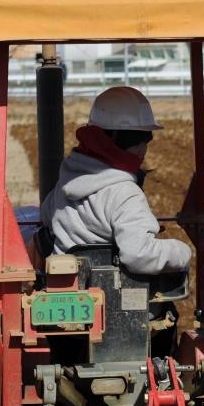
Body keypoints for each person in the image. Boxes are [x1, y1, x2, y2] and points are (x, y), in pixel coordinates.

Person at [40, 86, 191, 275]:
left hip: (62, 284)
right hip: (109, 293)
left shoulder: (67, 179)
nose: (143, 149)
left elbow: (46, 215)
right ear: (118, 141)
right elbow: (140, 255)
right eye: (139, 139)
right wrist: (181, 251)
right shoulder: (124, 193)